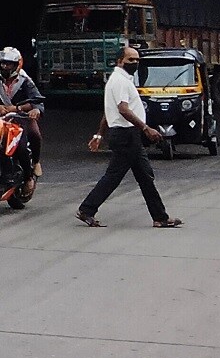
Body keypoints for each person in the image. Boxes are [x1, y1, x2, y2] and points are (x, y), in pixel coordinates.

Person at [76, 42, 182, 228]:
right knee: (116, 176)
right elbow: (122, 110)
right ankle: (87, 209)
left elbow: (108, 113)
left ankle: (160, 217)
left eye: (137, 60)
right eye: (130, 59)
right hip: (126, 136)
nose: (134, 62)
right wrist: (145, 128)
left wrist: (100, 135)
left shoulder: (121, 80)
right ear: (119, 61)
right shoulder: (120, 81)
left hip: (128, 135)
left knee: (144, 176)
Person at [0, 47, 45, 188]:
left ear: (17, 64)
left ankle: (31, 172)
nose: (5, 67)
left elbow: (37, 100)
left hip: (21, 119)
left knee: (26, 141)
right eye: (3, 63)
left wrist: (34, 110)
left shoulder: (25, 81)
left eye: (9, 64)